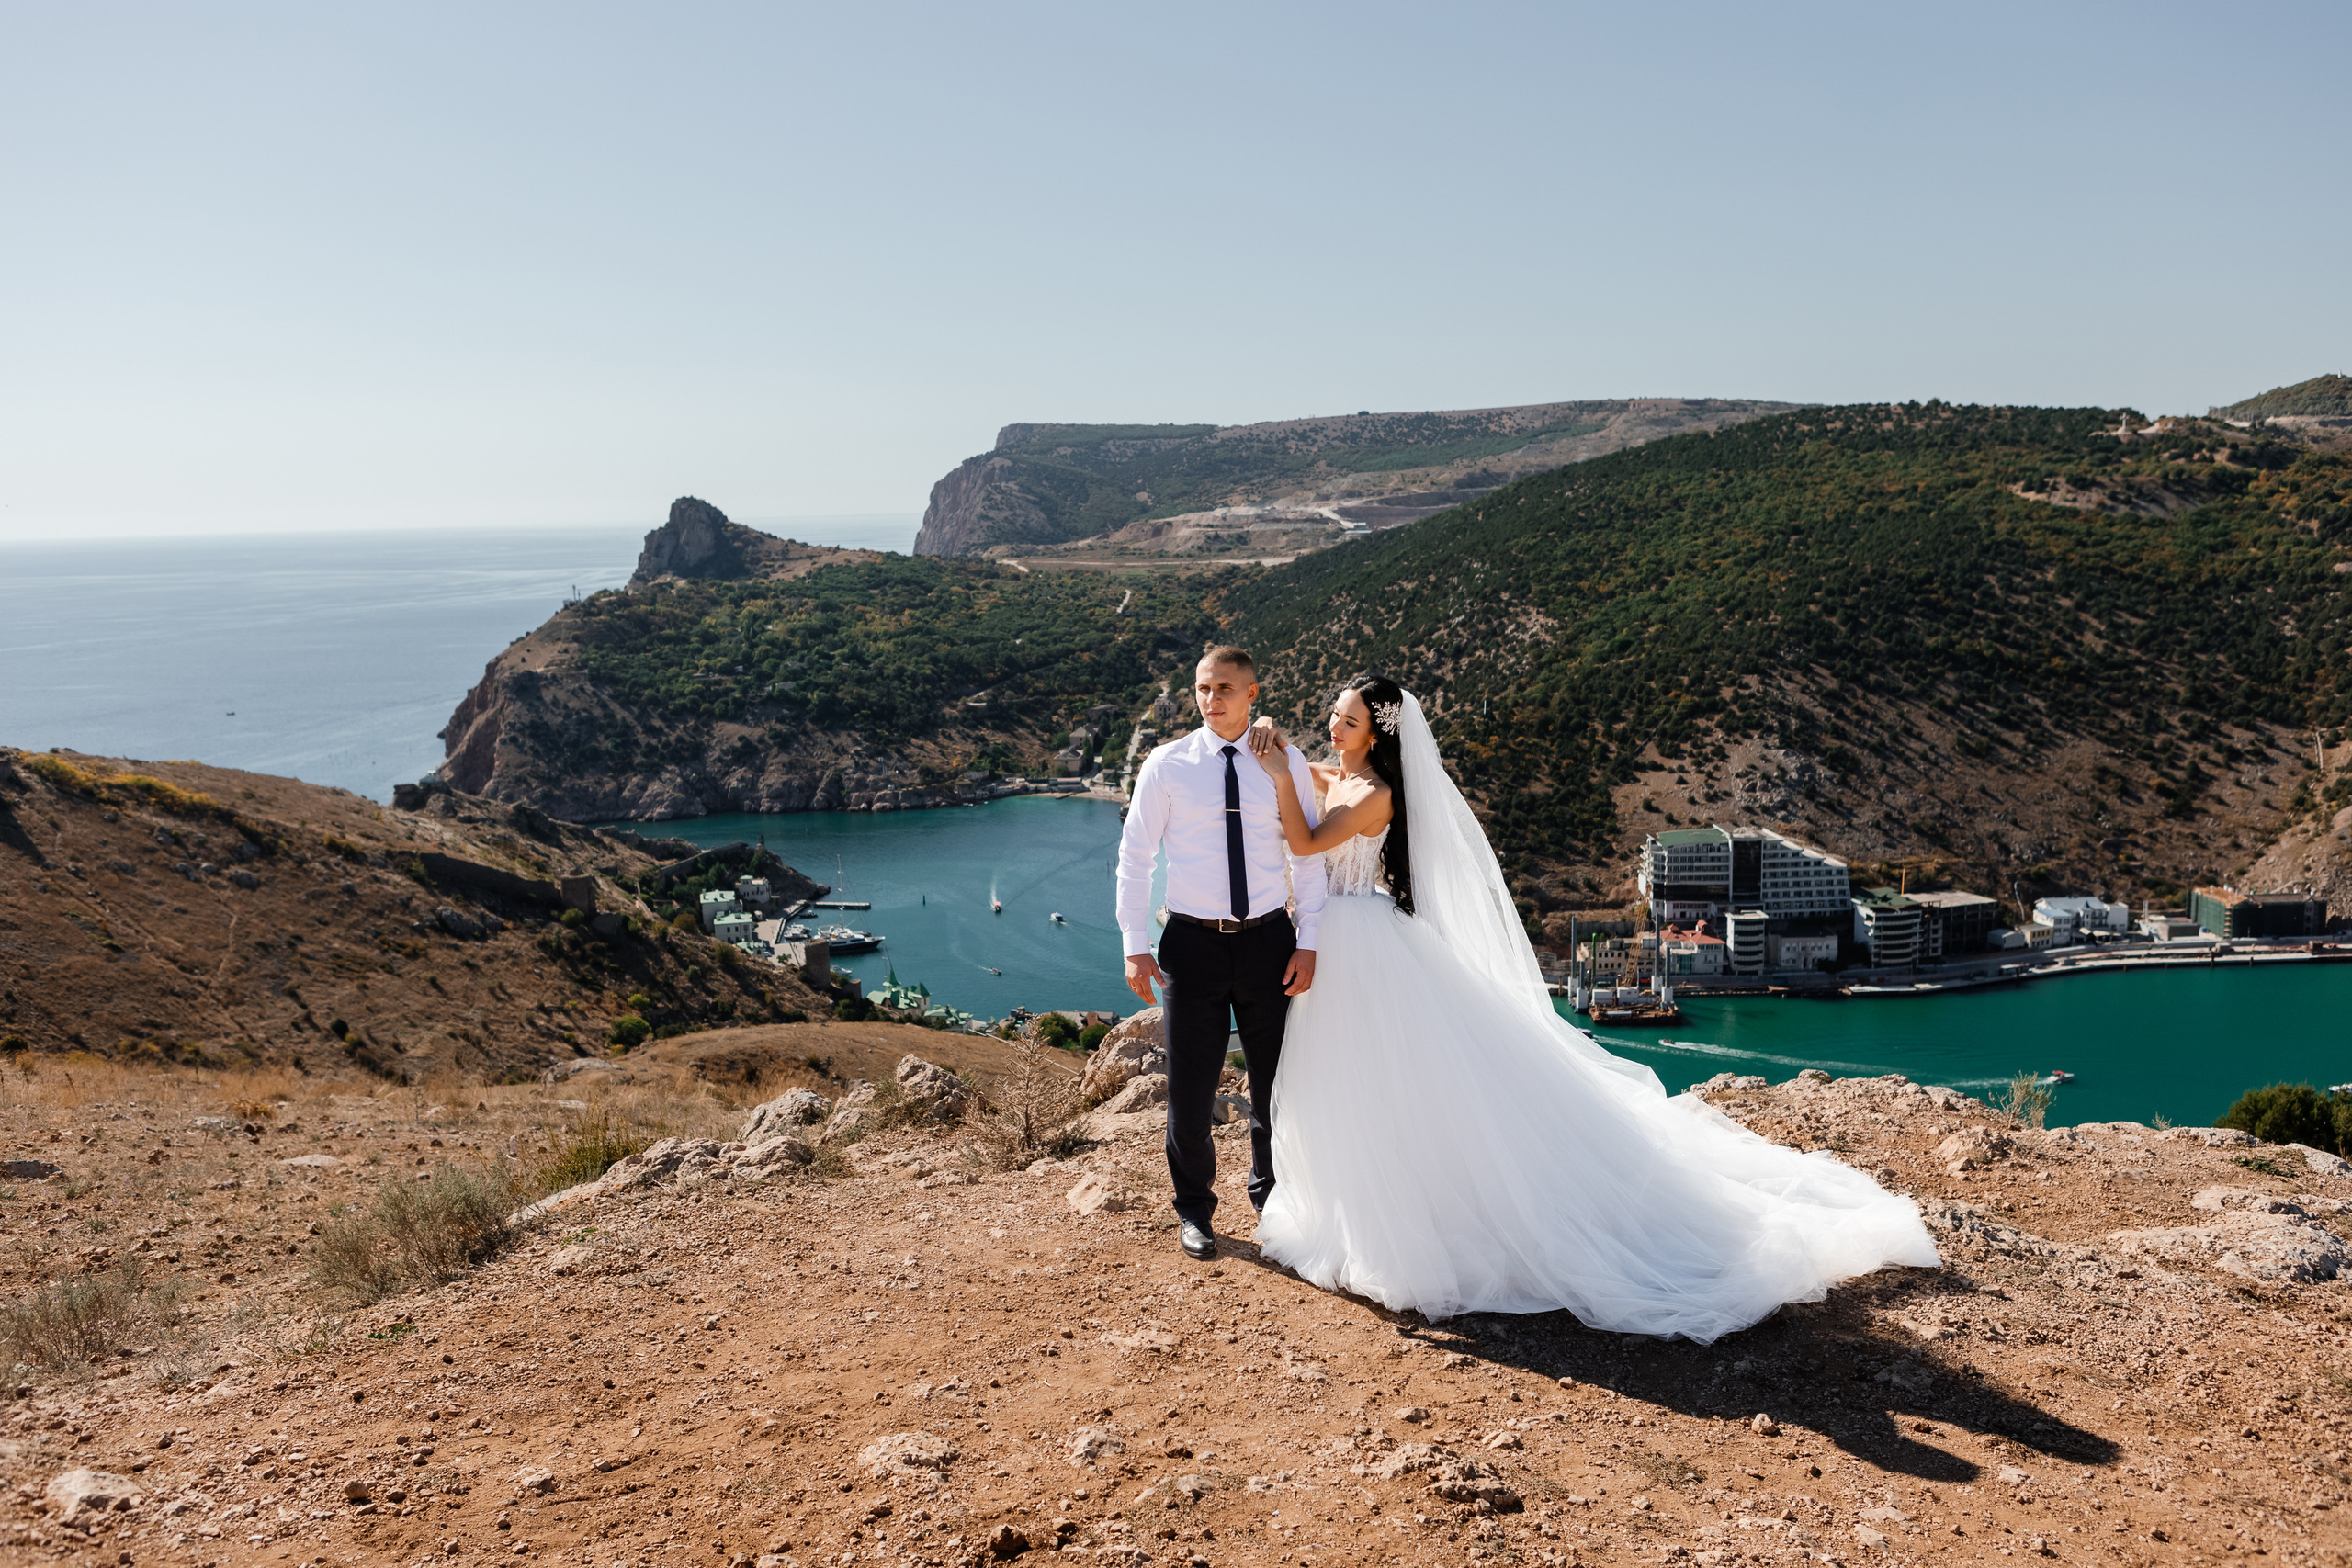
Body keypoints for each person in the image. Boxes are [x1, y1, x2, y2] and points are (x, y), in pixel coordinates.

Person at [1242, 674, 1939, 1341]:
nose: (1334, 726)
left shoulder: (1377, 793)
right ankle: (1357, 1212)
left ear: (1378, 733)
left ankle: (1396, 1224)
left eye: (1349, 719)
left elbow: (1305, 837)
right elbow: (1312, 780)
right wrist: (1282, 751)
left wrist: (1280, 775)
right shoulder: (1343, 775)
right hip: (1344, 942)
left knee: (1381, 1084)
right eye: (1334, 714)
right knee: (1354, 1087)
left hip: (1360, 946)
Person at [1114, 648, 1327, 1261]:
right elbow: (1136, 858)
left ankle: (1273, 1204)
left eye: (1226, 688)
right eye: (1204, 688)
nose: (1212, 699)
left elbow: (1305, 856)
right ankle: (1194, 1211)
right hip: (1192, 943)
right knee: (1189, 1090)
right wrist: (1134, 945)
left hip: (1269, 942)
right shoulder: (1166, 764)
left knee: (1274, 1088)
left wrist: (1308, 938)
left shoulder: (1285, 764)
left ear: (1252, 691)